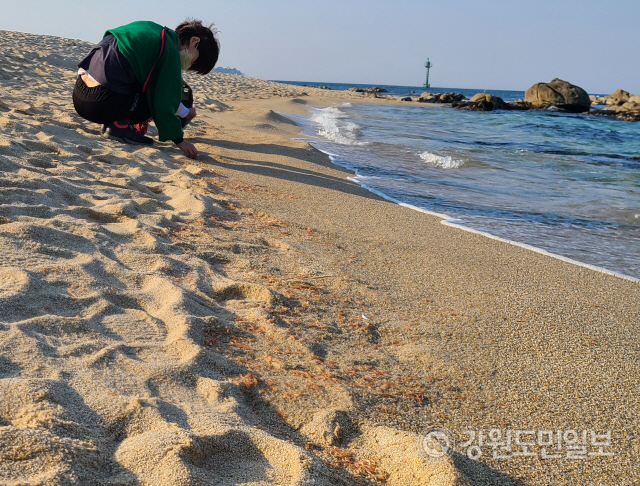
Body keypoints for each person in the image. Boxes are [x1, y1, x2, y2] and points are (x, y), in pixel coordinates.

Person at [72, 20, 219, 159]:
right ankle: (119, 125)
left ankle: (118, 121)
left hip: (79, 93)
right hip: (100, 103)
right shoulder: (170, 50)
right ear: (194, 42)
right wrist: (179, 141)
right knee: (152, 94)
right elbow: (164, 102)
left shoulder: (151, 30)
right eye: (194, 62)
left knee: (144, 82)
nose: (187, 67)